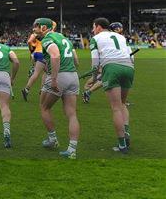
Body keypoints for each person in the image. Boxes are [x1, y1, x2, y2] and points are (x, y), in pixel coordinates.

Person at [33, 18, 81, 159]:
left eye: (36, 27)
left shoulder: (48, 39)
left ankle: (52, 139)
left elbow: (55, 55)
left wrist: (54, 79)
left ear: (43, 27)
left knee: (44, 107)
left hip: (59, 77)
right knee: (72, 114)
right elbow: (76, 61)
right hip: (73, 76)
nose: (34, 30)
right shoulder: (63, 37)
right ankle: (72, 149)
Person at [90, 18, 134, 153]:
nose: (93, 30)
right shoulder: (120, 37)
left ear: (98, 27)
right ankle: (126, 132)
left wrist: (93, 78)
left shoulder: (96, 38)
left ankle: (122, 145)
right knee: (122, 103)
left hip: (112, 68)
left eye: (93, 27)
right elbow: (131, 57)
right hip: (129, 68)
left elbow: (95, 62)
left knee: (115, 108)